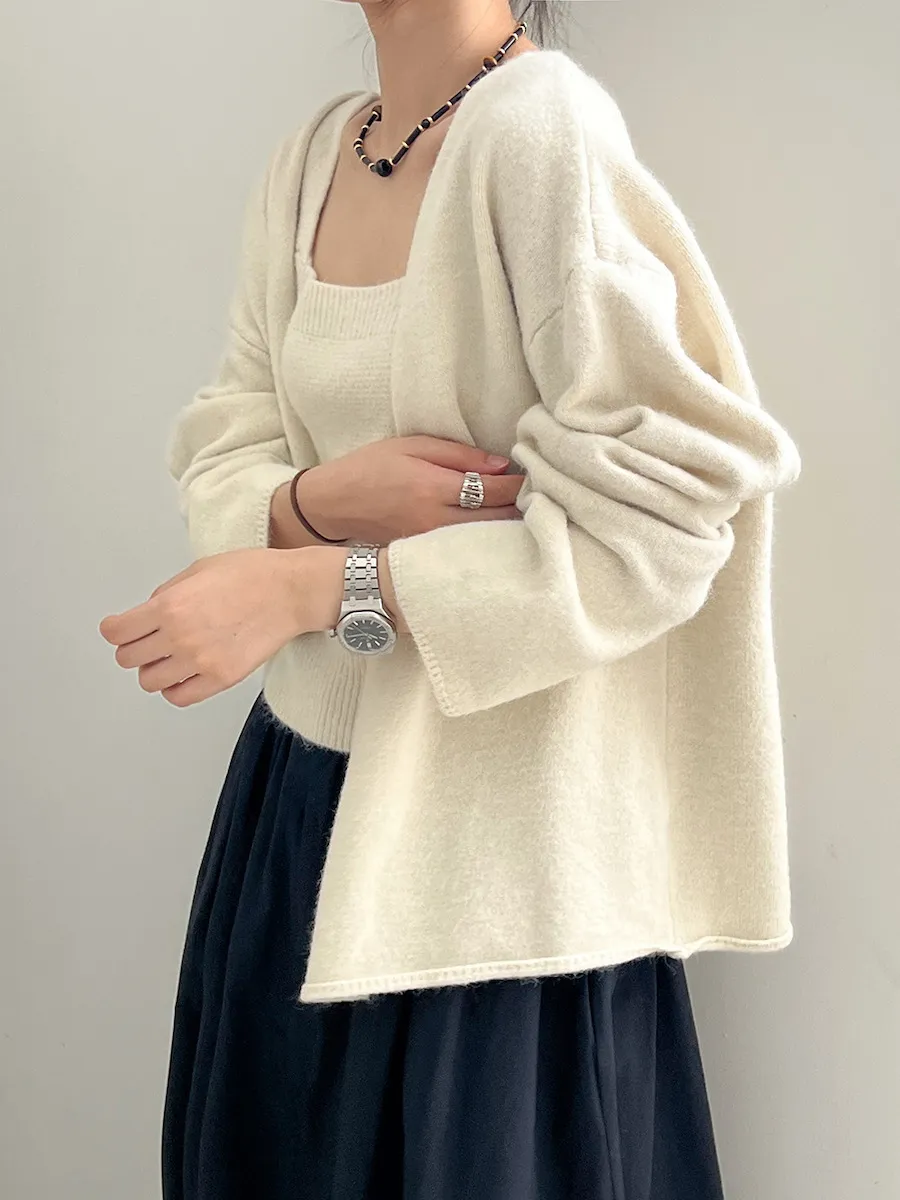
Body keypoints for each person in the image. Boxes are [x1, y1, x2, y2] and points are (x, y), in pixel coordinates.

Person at [99, 1, 802, 1196]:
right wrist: (318, 502)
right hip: (300, 805)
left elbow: (668, 513)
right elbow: (226, 433)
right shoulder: (310, 162)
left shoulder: (540, 131)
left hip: (493, 870)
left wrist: (315, 585)